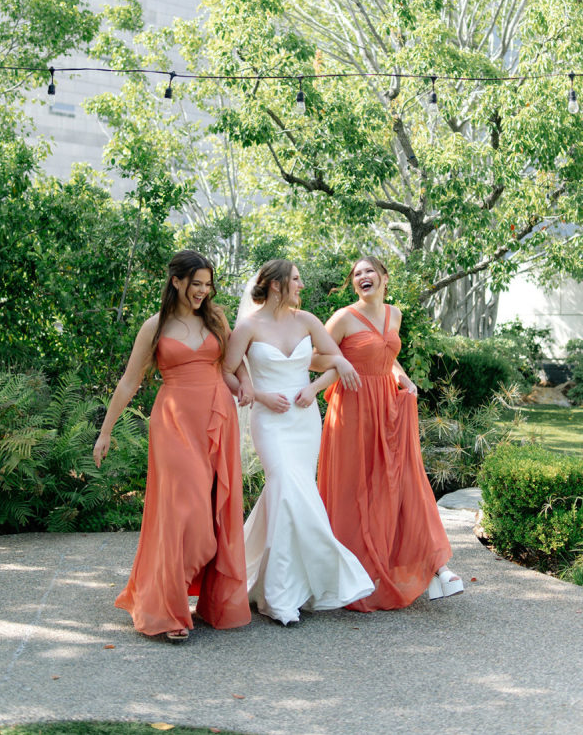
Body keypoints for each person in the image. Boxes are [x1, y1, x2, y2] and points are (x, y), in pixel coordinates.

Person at [93, 250, 252, 642]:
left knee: (214, 510)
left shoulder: (216, 319)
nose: (202, 291)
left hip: (217, 417)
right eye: (195, 283)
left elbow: (233, 363)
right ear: (176, 281)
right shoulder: (155, 326)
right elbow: (129, 382)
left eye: (207, 284)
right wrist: (105, 431)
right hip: (174, 423)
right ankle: (169, 605)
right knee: (189, 514)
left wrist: (246, 384)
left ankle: (187, 598)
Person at [224, 259, 374, 626]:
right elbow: (226, 370)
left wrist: (313, 388)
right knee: (287, 489)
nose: (301, 284)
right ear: (276, 285)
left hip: (304, 419)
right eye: (295, 279)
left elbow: (336, 360)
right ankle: (278, 597)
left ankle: (273, 582)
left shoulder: (307, 320)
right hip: (269, 420)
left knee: (289, 494)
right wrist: (259, 395)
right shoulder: (247, 327)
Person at [313, 256, 463, 610]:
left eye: (369, 271)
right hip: (352, 409)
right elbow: (312, 358)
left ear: (384, 278)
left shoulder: (395, 314)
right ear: (354, 283)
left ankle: (433, 566)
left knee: (402, 482)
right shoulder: (343, 318)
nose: (363, 276)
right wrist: (340, 361)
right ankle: (350, 574)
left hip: (387, 407)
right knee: (355, 488)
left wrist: (402, 377)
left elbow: (386, 355)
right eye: (357, 273)